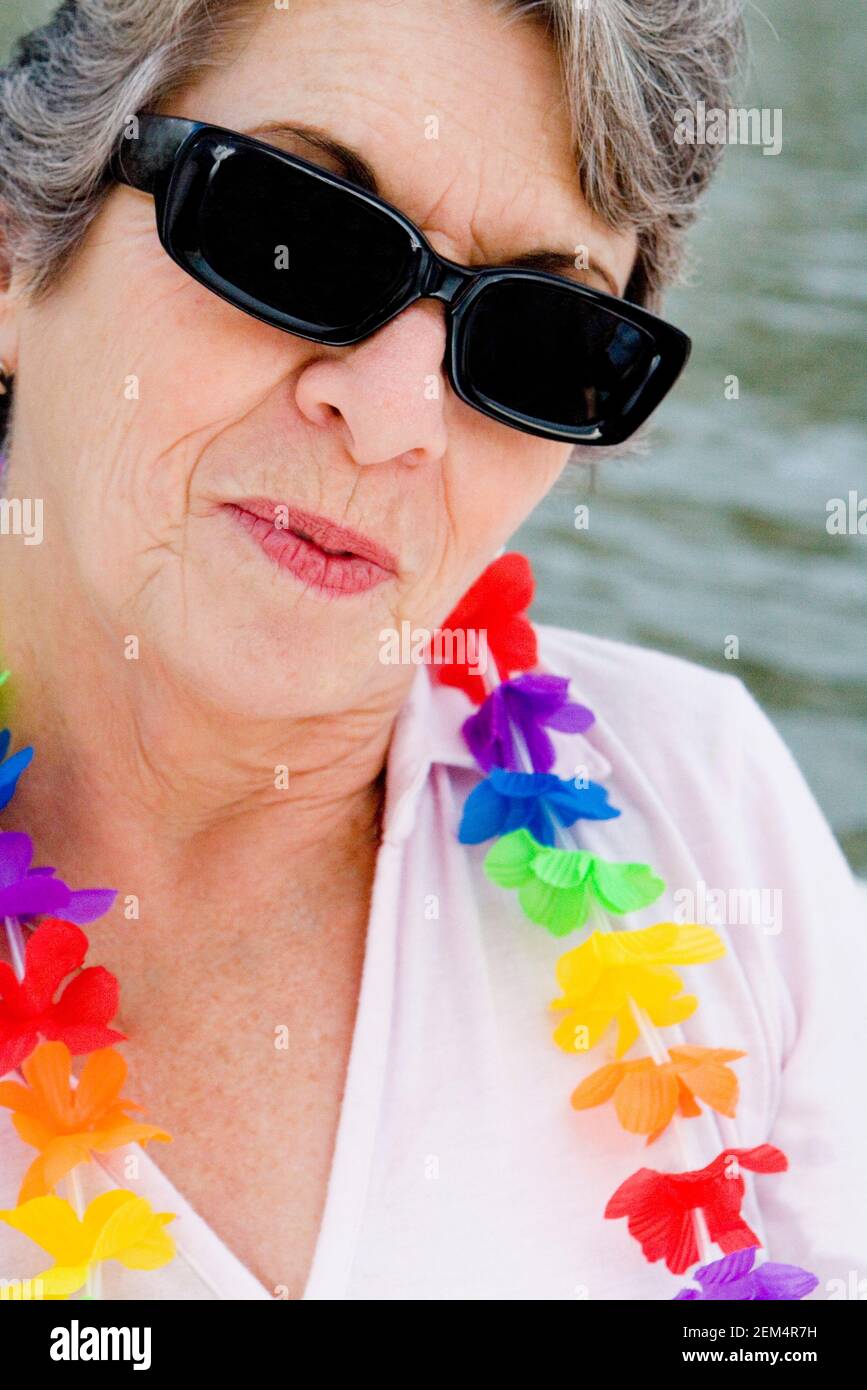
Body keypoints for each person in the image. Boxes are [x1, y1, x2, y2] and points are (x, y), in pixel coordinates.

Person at [0, 0, 863, 1301]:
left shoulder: (711, 811)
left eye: (541, 338)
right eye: (292, 234)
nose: (397, 416)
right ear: (16, 255)